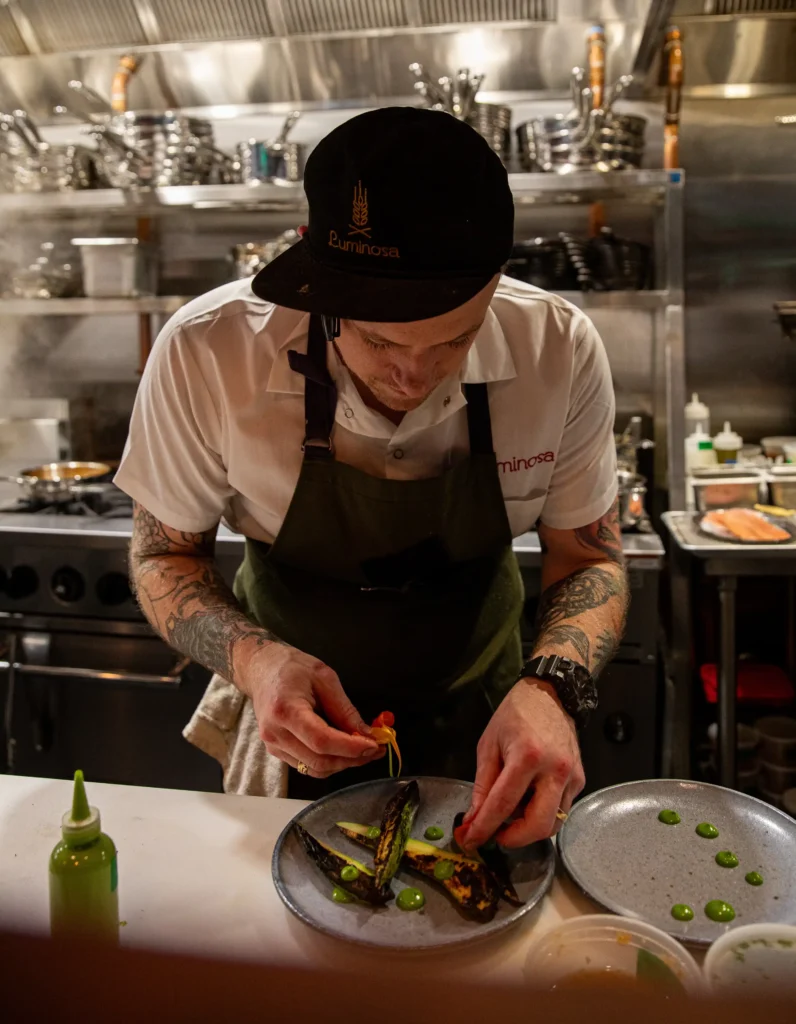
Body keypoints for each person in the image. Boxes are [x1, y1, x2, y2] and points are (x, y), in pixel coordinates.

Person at [116, 107, 629, 851]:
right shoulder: (210, 351)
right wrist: (256, 663)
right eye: (378, 338)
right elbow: (163, 557)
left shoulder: (557, 347)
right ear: (318, 287)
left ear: (496, 284)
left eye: (456, 337)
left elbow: (589, 557)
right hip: (287, 716)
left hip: (492, 710)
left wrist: (552, 689)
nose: (413, 375)